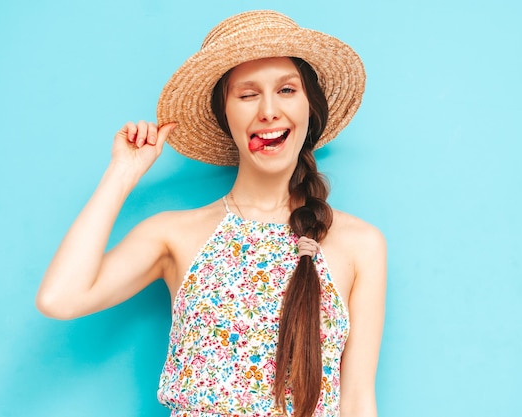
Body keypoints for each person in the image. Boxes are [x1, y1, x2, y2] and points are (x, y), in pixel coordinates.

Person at [36, 10, 386, 417]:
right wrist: (122, 173)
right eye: (248, 94)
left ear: (310, 109)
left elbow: (358, 401)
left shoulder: (358, 244)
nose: (269, 110)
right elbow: (60, 298)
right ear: (225, 116)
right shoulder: (175, 234)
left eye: (287, 90)